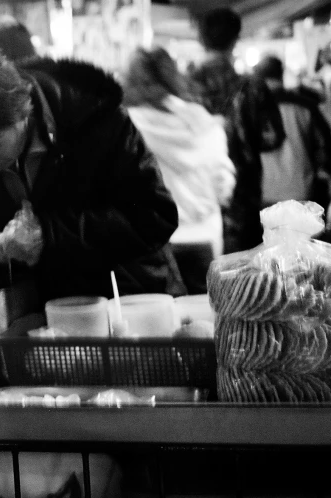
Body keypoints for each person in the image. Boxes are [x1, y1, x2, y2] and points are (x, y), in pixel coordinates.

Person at [0, 48, 185, 302]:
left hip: (126, 302)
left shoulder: (95, 117)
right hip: (33, 315)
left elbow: (155, 215)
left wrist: (49, 234)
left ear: (23, 112)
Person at [123, 47, 235, 294]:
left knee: (158, 324)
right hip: (204, 236)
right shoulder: (203, 122)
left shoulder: (127, 126)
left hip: (152, 243)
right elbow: (223, 183)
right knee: (205, 321)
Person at [190, 7, 285, 254]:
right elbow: (273, 137)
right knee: (243, 275)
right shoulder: (252, 86)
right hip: (243, 193)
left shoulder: (184, 87)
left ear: (201, 40)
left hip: (197, 194)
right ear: (236, 39)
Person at [254, 55, 331, 210]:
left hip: (264, 192)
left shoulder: (251, 109)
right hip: (302, 190)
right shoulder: (305, 106)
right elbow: (325, 146)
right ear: (281, 74)